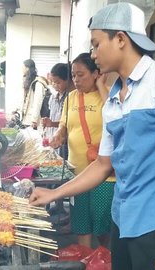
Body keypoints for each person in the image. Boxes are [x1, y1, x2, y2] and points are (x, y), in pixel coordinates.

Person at [30, 3, 155, 269]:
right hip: (122, 219)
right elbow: (102, 165)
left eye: (96, 45)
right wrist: (54, 194)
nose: (93, 54)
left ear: (120, 39)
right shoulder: (112, 101)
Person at [47, 53, 114, 248]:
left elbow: (116, 117)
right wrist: (59, 135)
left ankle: (105, 259)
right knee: (82, 223)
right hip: (77, 173)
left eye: (81, 75)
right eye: (73, 75)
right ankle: (84, 260)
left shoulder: (109, 95)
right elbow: (64, 125)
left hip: (105, 175)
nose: (75, 80)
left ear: (96, 73)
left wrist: (102, 85)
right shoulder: (71, 98)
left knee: (103, 225)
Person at [42, 63, 74, 154]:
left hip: (64, 142)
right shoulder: (52, 97)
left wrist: (52, 123)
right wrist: (48, 122)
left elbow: (67, 122)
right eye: (52, 82)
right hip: (52, 139)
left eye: (58, 82)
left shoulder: (70, 98)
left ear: (68, 80)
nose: (54, 85)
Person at [20, 59, 48, 129]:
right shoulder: (28, 82)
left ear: (27, 68)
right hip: (25, 119)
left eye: (23, 67)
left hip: (32, 121)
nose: (21, 69)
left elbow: (37, 102)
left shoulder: (37, 83)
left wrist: (34, 120)